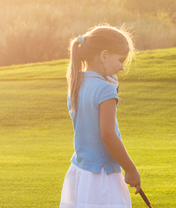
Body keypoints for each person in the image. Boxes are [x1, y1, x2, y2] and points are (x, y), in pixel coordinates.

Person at [59, 25, 140, 208]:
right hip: (102, 177)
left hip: (81, 172)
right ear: (104, 56)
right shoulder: (105, 89)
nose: (121, 67)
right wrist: (131, 169)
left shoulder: (77, 84)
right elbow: (108, 136)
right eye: (120, 60)